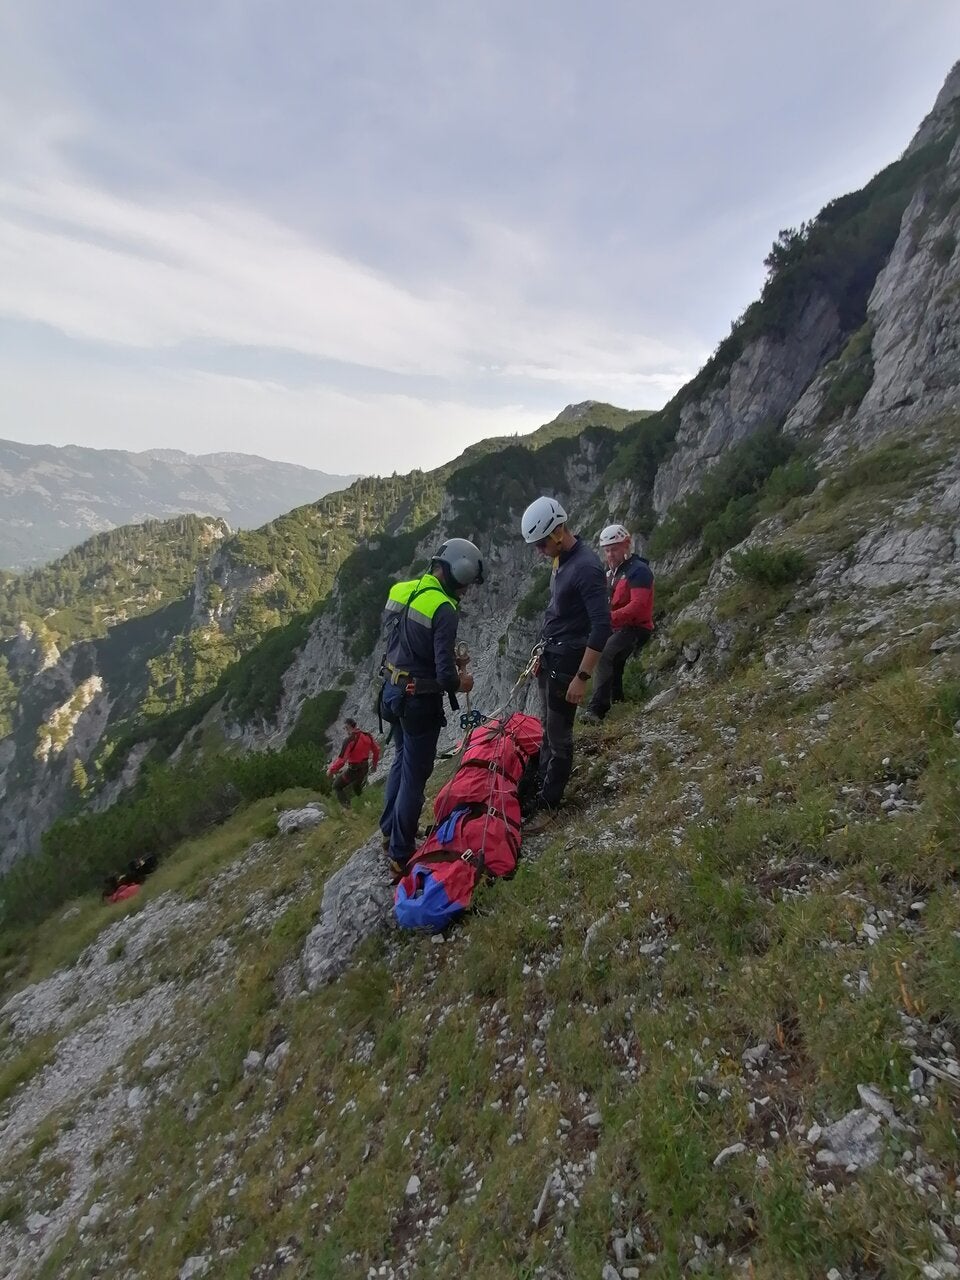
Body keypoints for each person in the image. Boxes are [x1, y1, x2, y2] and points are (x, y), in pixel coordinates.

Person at [378, 537, 484, 874]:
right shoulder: (444, 609)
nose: (465, 591)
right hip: (418, 700)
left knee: (399, 760)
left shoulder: (401, 590)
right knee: (415, 774)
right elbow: (445, 677)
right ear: (456, 574)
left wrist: (447, 656)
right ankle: (400, 852)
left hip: (391, 691)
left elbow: (405, 642)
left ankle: (388, 831)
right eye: (465, 584)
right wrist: (461, 679)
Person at [520, 497, 611, 834]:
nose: (540, 551)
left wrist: (582, 678)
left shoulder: (586, 567)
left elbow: (602, 627)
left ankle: (549, 807)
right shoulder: (562, 560)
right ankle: (542, 788)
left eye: (542, 543)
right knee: (547, 728)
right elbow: (558, 612)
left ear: (559, 531)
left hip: (569, 663)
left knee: (559, 737)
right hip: (553, 655)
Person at [582, 524, 655, 721]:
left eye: (614, 549)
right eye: (607, 550)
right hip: (618, 627)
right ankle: (619, 703)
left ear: (626, 546)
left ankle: (597, 709)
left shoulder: (639, 571)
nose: (610, 554)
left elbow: (638, 606)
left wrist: (608, 619)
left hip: (636, 627)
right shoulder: (610, 574)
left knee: (605, 653)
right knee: (614, 661)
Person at [327, 718, 380, 805]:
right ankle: (366, 805)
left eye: (345, 728)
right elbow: (376, 750)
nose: (345, 730)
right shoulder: (367, 736)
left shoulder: (349, 740)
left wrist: (331, 770)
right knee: (356, 786)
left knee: (337, 786)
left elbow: (342, 760)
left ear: (348, 726)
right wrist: (374, 765)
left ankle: (347, 808)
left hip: (354, 770)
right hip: (365, 768)